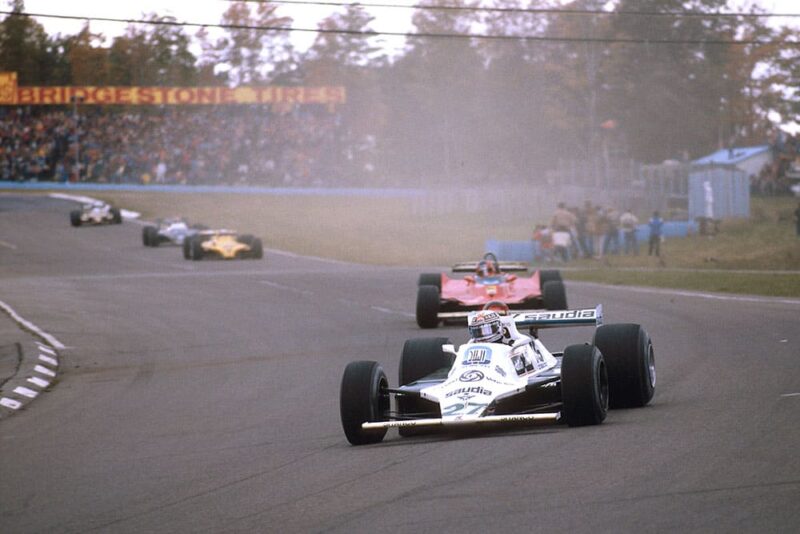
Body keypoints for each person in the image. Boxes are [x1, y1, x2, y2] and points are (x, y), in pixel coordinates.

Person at [467, 310, 536, 375]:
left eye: (488, 330)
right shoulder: (471, 345)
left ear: (500, 326)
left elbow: (527, 341)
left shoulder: (512, 341)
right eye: (478, 332)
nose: (484, 336)